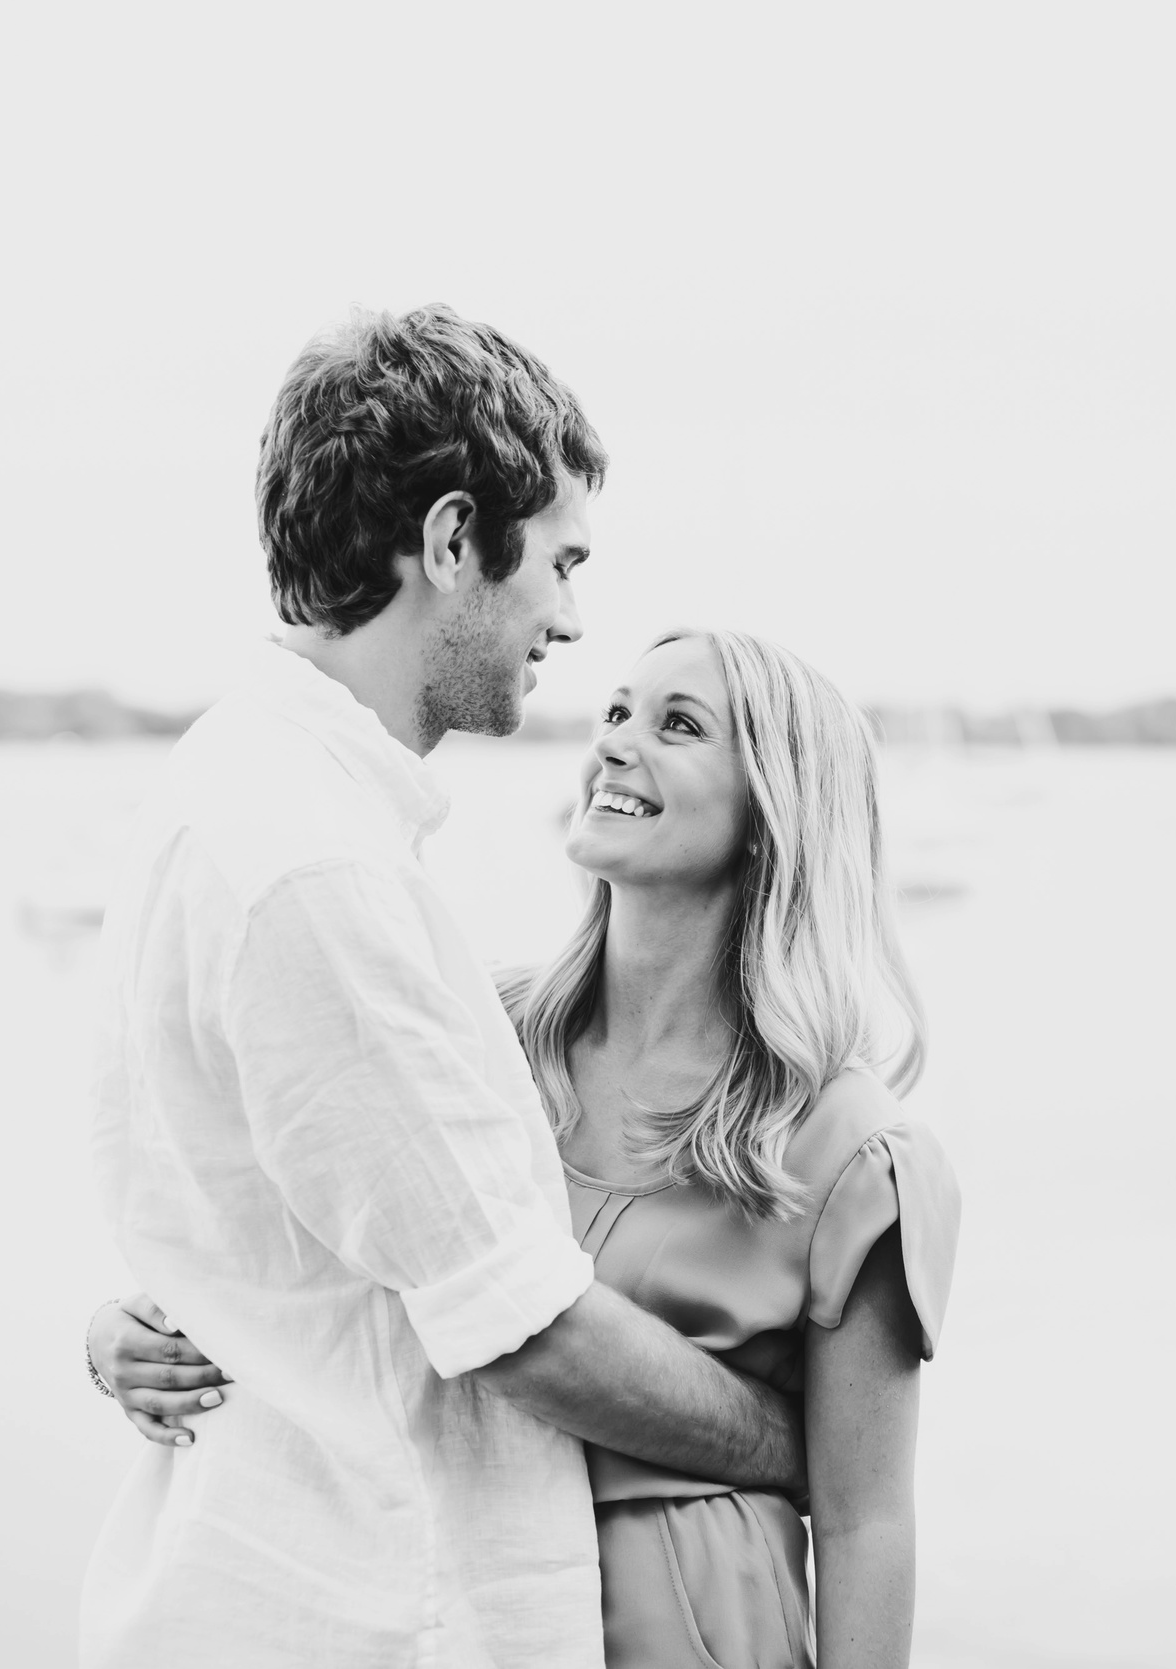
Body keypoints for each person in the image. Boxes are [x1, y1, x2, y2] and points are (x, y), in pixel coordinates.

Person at [83, 308, 808, 1669]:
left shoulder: (252, 798)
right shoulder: (309, 864)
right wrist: (795, 1443)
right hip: (356, 1615)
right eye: (560, 563)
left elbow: (254, 1223)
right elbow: (520, 1328)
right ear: (454, 540)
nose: (572, 621)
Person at [95, 627, 959, 1669]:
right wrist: (121, 1331)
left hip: (700, 1632)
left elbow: (870, 1521)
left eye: (676, 726)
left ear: (774, 811)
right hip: (454, 1611)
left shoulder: (853, 1150)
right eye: (616, 714)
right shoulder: (471, 1029)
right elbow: (290, 1247)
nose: (616, 746)